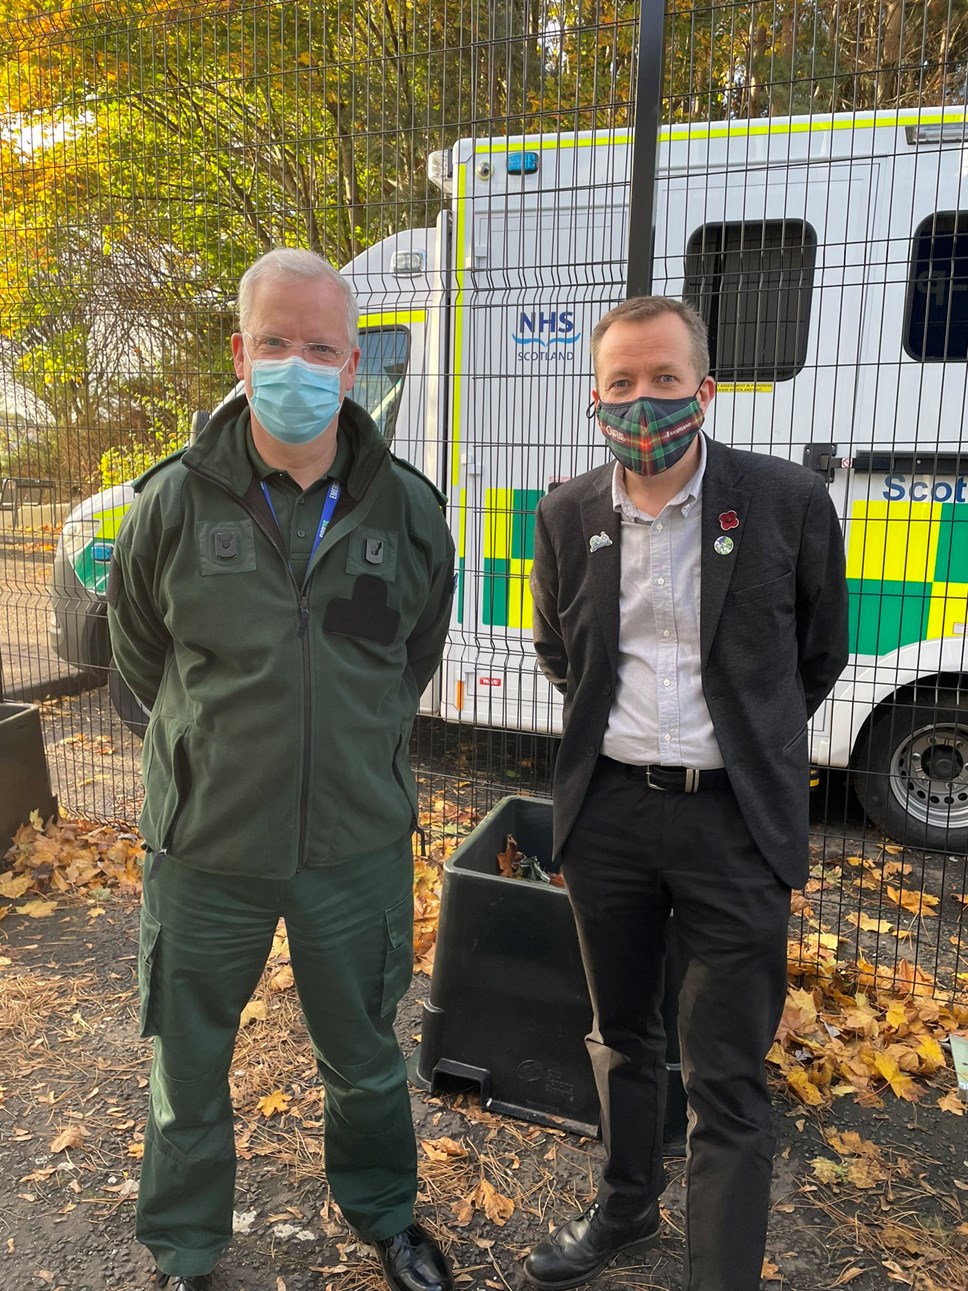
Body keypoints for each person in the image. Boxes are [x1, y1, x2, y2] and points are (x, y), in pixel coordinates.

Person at [107, 248, 456, 1291]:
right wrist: (206, 754)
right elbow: (138, 654)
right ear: (240, 353)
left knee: (364, 1053)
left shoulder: (403, 507)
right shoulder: (171, 503)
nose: (295, 365)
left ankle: (385, 1214)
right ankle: (183, 1246)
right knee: (188, 1063)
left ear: (353, 364)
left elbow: (413, 655)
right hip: (207, 844)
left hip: (353, 847)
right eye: (275, 344)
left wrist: (354, 747)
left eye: (318, 347)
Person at [524, 296, 848, 1291]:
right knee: (623, 1035)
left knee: (726, 1075)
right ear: (594, 397)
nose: (642, 399)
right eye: (620, 382)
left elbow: (814, 656)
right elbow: (557, 649)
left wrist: (736, 746)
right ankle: (625, 1204)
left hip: (732, 823)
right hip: (609, 816)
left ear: (703, 390)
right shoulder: (565, 510)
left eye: (663, 379)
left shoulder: (787, 502)